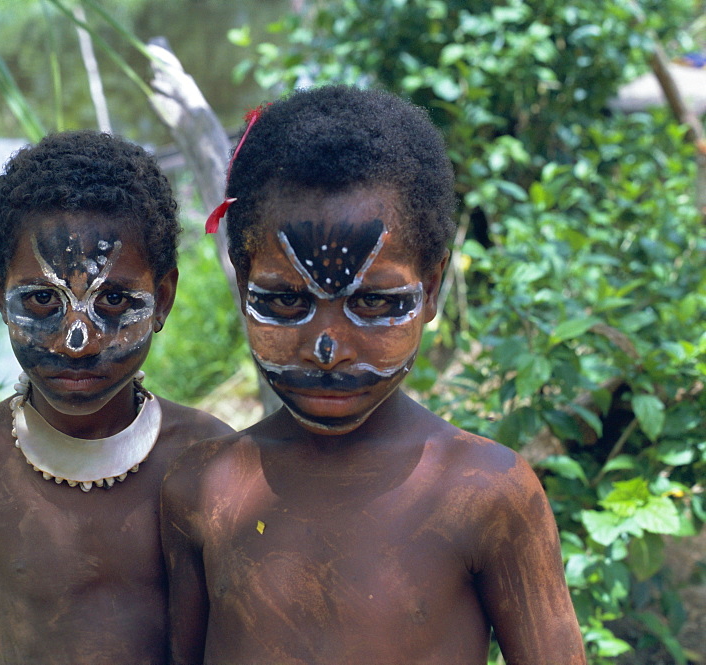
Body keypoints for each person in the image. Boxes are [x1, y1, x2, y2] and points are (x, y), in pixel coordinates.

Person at [162, 85, 586, 664]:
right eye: (286, 302)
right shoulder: (201, 490)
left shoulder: (486, 493)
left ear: (431, 289)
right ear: (242, 283)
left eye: (376, 303)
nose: (327, 348)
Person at [0, 130, 233, 664]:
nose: (78, 341)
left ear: (162, 299)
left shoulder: (208, 456)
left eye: (115, 300)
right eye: (43, 299)